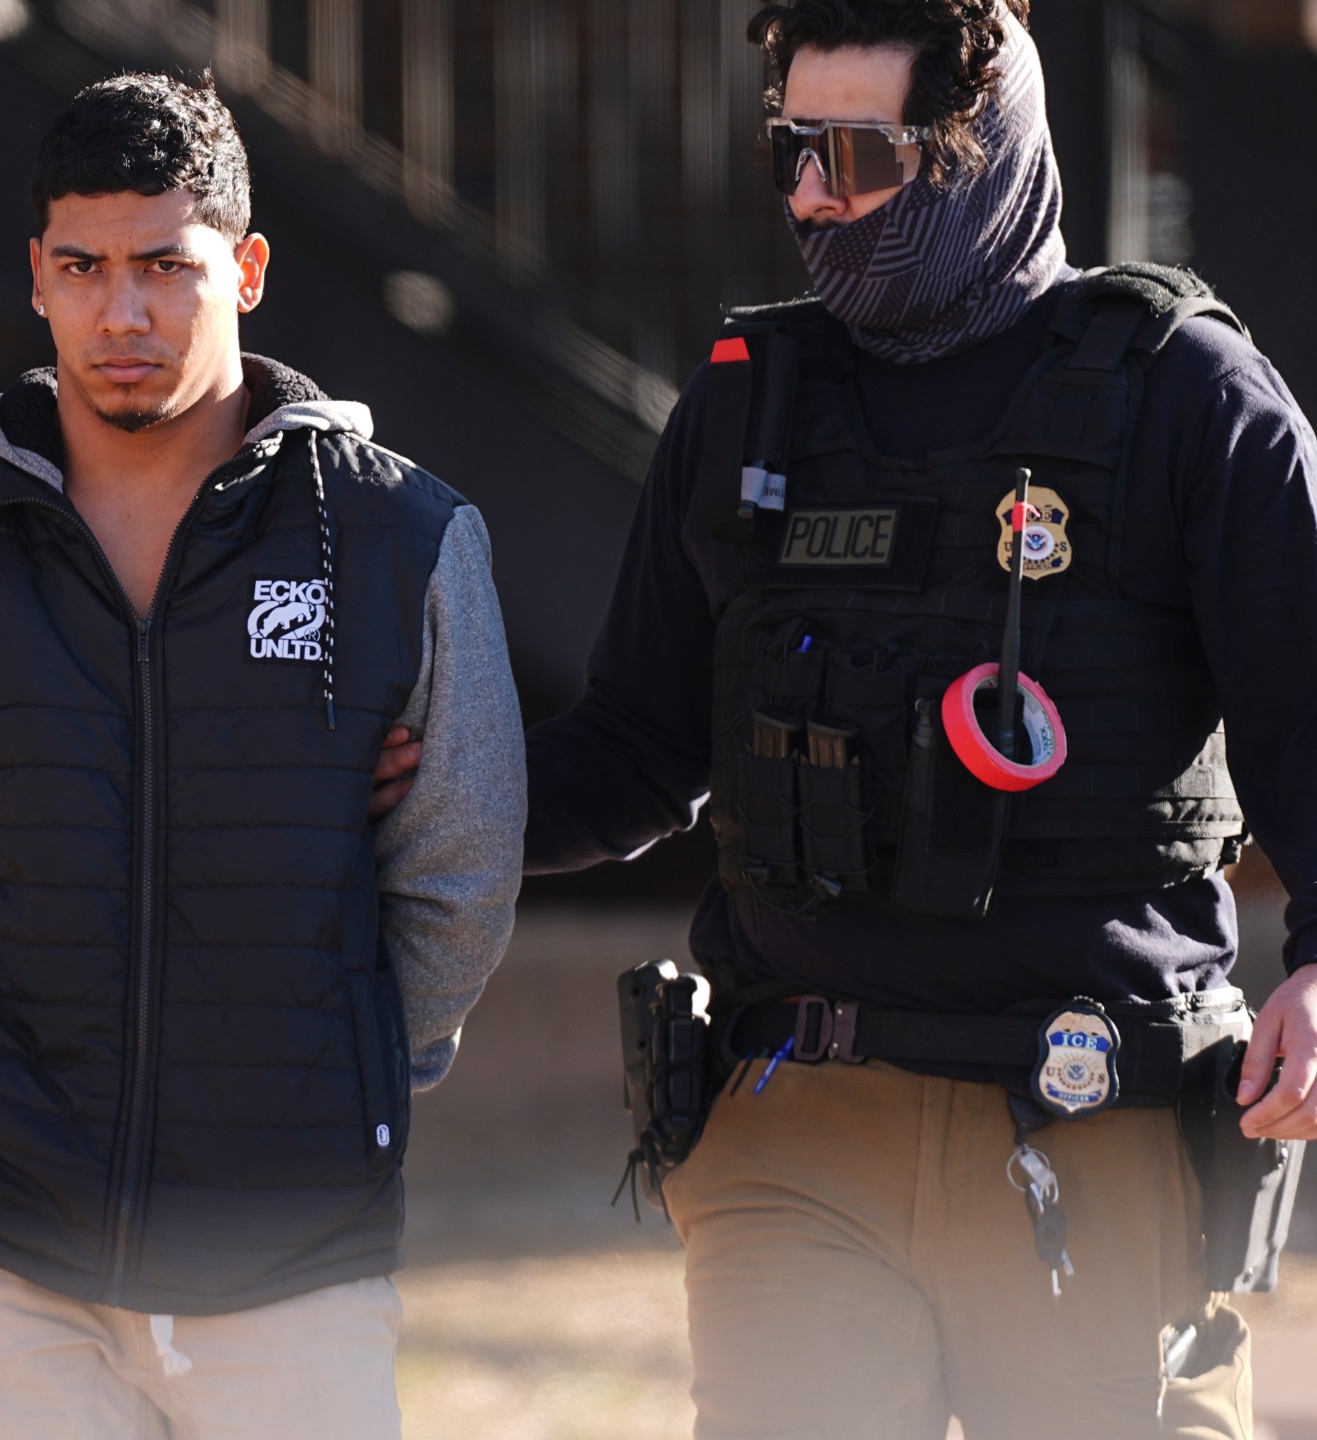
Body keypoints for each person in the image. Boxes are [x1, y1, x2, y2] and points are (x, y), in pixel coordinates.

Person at [527, 2, 1317, 1435]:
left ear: (977, 150)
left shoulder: (1188, 394)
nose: (818, 200)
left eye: (862, 157)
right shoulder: (743, 405)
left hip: (1095, 1118)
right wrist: (398, 796)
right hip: (794, 1124)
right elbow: (639, 746)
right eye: (791, 154)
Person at [0, 72, 525, 1440]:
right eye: (80, 267)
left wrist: (352, 1056)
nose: (120, 312)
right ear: (34, 276)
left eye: (164, 266)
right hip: (9, 1248)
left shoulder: (404, 538)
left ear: (246, 268)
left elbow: (459, 862)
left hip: (294, 1244)